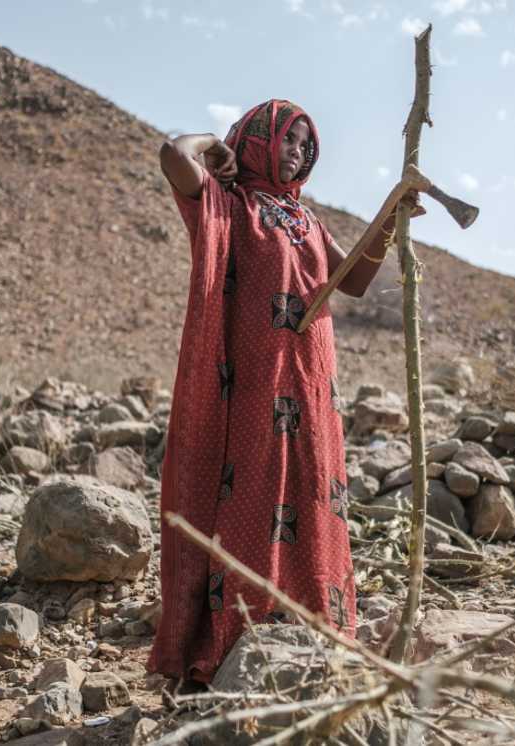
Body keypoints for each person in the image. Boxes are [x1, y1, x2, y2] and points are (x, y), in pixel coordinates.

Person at [148, 99, 422, 689]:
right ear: (255, 140)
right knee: (252, 492)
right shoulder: (227, 205)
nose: (298, 153)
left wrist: (391, 215)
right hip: (253, 385)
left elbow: (352, 281)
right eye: (288, 141)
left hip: (313, 385)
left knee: (314, 492)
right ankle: (234, 640)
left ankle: (315, 627)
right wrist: (213, 148)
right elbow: (173, 154)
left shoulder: (305, 219)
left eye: (306, 145)